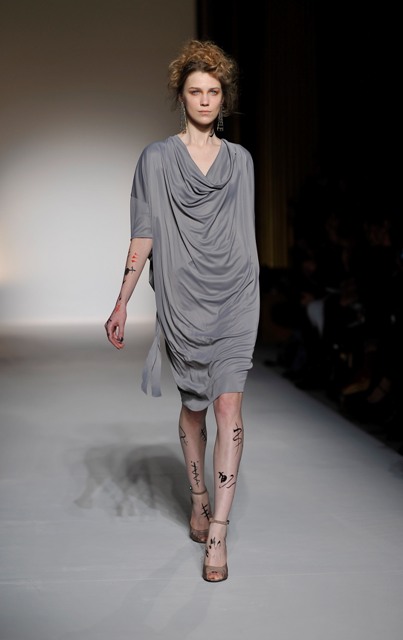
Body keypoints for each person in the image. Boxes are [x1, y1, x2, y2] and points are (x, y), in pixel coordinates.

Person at [105, 39, 260, 583]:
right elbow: (144, 232)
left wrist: (249, 290)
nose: (205, 100)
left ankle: (218, 530)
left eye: (213, 91)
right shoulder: (156, 159)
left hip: (236, 295)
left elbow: (244, 235)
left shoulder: (241, 161)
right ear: (181, 96)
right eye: (196, 91)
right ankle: (198, 497)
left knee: (228, 405)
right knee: (194, 408)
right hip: (184, 298)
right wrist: (123, 300)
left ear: (224, 97)